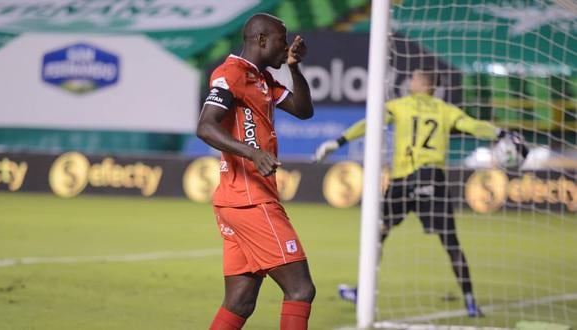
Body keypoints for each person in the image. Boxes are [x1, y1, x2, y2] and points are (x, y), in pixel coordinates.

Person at [314, 69, 526, 318]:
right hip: (432, 179)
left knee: (379, 232)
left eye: (413, 78)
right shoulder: (445, 110)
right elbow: (474, 126)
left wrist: (338, 141)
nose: (409, 82)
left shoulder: (401, 106)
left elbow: (369, 123)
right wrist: (500, 133)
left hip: (403, 180)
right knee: (450, 242)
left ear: (424, 85)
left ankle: (363, 291)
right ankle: (470, 302)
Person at [197, 13, 315, 330]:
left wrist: (293, 66)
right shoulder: (230, 74)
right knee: (301, 289)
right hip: (251, 201)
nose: (286, 45)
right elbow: (205, 126)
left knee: (240, 301)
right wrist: (252, 152)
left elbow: (304, 110)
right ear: (261, 40)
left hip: (236, 202)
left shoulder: (262, 78)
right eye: (282, 39)